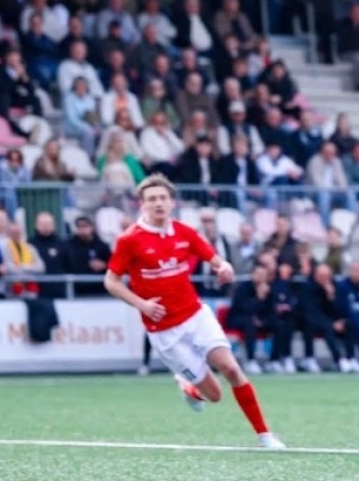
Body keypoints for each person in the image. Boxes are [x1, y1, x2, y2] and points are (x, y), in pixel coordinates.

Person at [105, 175, 284, 448]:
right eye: (152, 199)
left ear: (172, 203)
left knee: (231, 368)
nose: (158, 203)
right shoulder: (130, 240)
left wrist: (224, 268)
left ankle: (265, 435)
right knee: (215, 395)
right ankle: (187, 385)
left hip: (196, 316)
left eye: (163, 198)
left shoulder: (184, 232)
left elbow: (216, 259)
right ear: (142, 205)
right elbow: (111, 281)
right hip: (164, 331)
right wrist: (141, 304)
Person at [226, 264, 276, 375]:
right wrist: (259, 298)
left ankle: (274, 361)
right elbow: (244, 309)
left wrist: (263, 321)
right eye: (258, 274)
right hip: (238, 319)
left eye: (263, 275)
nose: (261, 277)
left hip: (259, 321)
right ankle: (250, 360)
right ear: (252, 275)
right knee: (250, 323)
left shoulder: (269, 289)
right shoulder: (243, 288)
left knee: (280, 324)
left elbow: (270, 310)